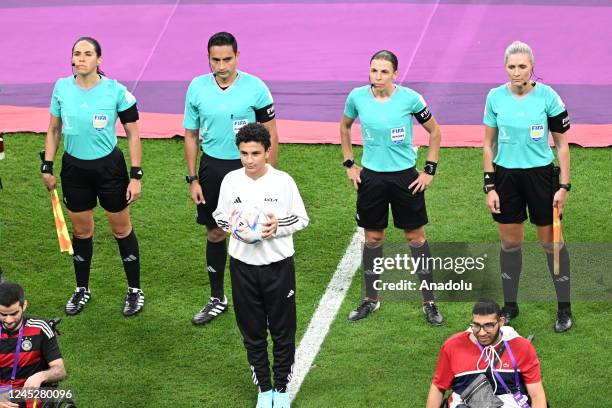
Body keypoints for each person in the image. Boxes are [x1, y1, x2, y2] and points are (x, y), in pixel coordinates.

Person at [41, 37, 144, 317]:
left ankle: (135, 290)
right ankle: (82, 288)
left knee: (121, 229)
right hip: (74, 170)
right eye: (77, 53)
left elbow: (133, 132)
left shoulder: (115, 91)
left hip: (109, 170)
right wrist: (47, 166)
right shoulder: (61, 88)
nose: (82, 58)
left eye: (88, 54)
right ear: (72, 59)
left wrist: (135, 175)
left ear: (99, 60)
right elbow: (53, 130)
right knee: (82, 231)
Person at [340, 50, 444, 324]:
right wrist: (350, 163)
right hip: (371, 179)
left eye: (384, 71)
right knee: (373, 239)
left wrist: (429, 170)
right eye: (374, 70)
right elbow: (345, 126)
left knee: (416, 239)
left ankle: (429, 302)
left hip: (405, 179)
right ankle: (370, 300)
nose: (377, 76)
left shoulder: (411, 99)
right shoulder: (357, 97)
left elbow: (435, 131)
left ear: (395, 74)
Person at [183, 32, 279, 325]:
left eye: (227, 59)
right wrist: (193, 178)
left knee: (257, 231)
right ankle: (217, 298)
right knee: (215, 232)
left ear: (238, 56)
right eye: (215, 60)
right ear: (208, 59)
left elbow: (272, 132)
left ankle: (259, 294)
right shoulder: (197, 88)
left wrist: (269, 176)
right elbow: (190, 134)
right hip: (212, 169)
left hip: (249, 168)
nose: (222, 66)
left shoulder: (256, 88)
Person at [213, 123, 308, 408]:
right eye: (244, 153)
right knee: (252, 331)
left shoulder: (283, 182)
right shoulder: (231, 181)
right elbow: (219, 215)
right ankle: (264, 389)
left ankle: (281, 388)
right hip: (242, 267)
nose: (249, 160)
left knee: (282, 330)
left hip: (277, 267)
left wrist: (276, 227)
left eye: (255, 153)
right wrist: (231, 225)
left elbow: (301, 219)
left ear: (268, 152)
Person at [483, 41, 572, 332]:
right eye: (511, 66)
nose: (517, 72)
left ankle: (564, 308)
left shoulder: (549, 97)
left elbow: (562, 145)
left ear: (532, 67)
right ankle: (510, 306)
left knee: (552, 245)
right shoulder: (495, 97)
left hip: (541, 178)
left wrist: (564, 186)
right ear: (504, 67)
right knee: (510, 244)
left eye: (522, 66)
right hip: (506, 178)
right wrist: (490, 186)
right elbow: (488, 143)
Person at [426, 300, 546, 408]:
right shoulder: (453, 346)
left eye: (488, 325)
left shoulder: (522, 347)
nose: (482, 333)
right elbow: (438, 387)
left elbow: (536, 395)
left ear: (501, 322)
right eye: (476, 325)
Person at [0, 282, 66, 408]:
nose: (8, 320)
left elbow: (60, 370)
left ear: (24, 305)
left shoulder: (40, 329)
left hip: (30, 398)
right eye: (3, 314)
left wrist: (41, 376)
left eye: (14, 313)